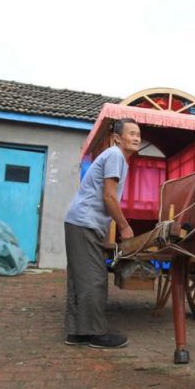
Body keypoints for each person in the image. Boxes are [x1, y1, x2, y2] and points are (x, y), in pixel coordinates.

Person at [63, 118, 140, 349]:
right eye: (132, 133)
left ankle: (76, 333)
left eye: (139, 134)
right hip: (83, 223)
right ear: (117, 138)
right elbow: (109, 197)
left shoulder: (116, 159)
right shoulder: (115, 155)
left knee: (80, 279)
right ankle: (95, 334)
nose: (137, 138)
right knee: (95, 278)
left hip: (80, 222)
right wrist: (125, 226)